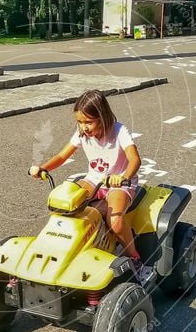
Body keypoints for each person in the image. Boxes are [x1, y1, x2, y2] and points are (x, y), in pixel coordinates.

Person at [29, 89, 144, 268]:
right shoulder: (82, 133)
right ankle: (60, 248)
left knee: (115, 220)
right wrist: (43, 168)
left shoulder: (119, 131)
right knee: (66, 203)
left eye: (89, 122)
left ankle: (135, 258)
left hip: (118, 184)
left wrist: (123, 177)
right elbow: (62, 156)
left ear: (103, 117)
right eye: (80, 122)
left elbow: (135, 159)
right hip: (94, 179)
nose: (84, 127)